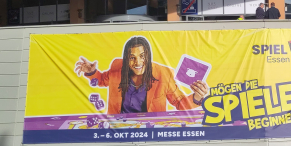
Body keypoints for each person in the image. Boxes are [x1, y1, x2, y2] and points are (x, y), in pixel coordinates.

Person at [74, 36, 209, 115]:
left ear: (148, 56)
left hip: (150, 131)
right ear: (126, 59)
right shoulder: (117, 66)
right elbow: (102, 80)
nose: (138, 62)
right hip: (118, 129)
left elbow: (180, 104)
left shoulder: (163, 73)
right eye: (132, 57)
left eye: (142, 56)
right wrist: (91, 72)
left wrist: (197, 97)